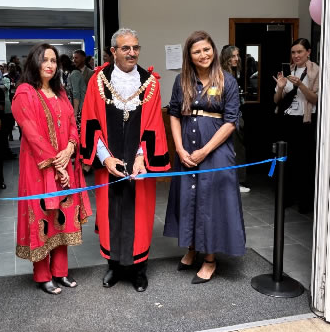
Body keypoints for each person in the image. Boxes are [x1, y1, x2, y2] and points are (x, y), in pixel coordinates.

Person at [80, 28, 170, 292]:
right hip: (109, 161)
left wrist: (142, 157)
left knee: (140, 214)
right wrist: (105, 159)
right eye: (126, 48)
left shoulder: (150, 82)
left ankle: (139, 270)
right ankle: (114, 266)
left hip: (139, 162)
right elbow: (90, 121)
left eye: (136, 48)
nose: (132, 53)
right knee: (110, 214)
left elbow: (154, 125)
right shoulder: (98, 81)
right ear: (113, 51)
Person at [164, 31, 245, 284]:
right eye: (197, 51)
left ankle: (210, 259)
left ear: (214, 50)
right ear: (190, 55)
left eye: (206, 49)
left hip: (215, 150)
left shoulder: (227, 81)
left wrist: (205, 150)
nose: (203, 55)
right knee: (189, 197)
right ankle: (192, 248)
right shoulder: (182, 81)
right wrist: (178, 148)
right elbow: (174, 114)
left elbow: (231, 122)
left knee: (210, 202)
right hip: (187, 147)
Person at [12, 43, 92, 295]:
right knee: (43, 218)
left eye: (53, 60)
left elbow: (71, 123)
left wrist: (69, 149)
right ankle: (42, 275)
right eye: (44, 60)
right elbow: (32, 134)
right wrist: (57, 164)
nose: (49, 64)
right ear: (34, 63)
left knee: (63, 218)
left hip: (64, 165)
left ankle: (60, 272)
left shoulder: (60, 92)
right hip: (39, 169)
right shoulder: (24, 92)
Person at [273, 38, 319, 214]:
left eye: (299, 52)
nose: (296, 55)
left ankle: (305, 202)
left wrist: (300, 85)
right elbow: (277, 101)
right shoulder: (287, 71)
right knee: (285, 162)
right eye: (293, 52)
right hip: (287, 120)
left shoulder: (316, 72)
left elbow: (316, 99)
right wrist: (280, 87)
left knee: (304, 163)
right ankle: (286, 198)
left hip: (305, 122)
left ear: (308, 52)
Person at [221, 45, 250, 193]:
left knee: (237, 150)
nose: (236, 59)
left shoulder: (234, 73)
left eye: (237, 55)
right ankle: (236, 182)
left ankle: (236, 182)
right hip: (228, 119)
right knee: (232, 151)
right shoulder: (223, 75)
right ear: (226, 57)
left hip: (236, 117)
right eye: (232, 56)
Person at [67, 49, 94, 128]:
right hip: (75, 107)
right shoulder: (71, 72)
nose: (74, 60)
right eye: (73, 58)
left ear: (83, 58)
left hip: (85, 107)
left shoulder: (91, 73)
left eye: (76, 58)